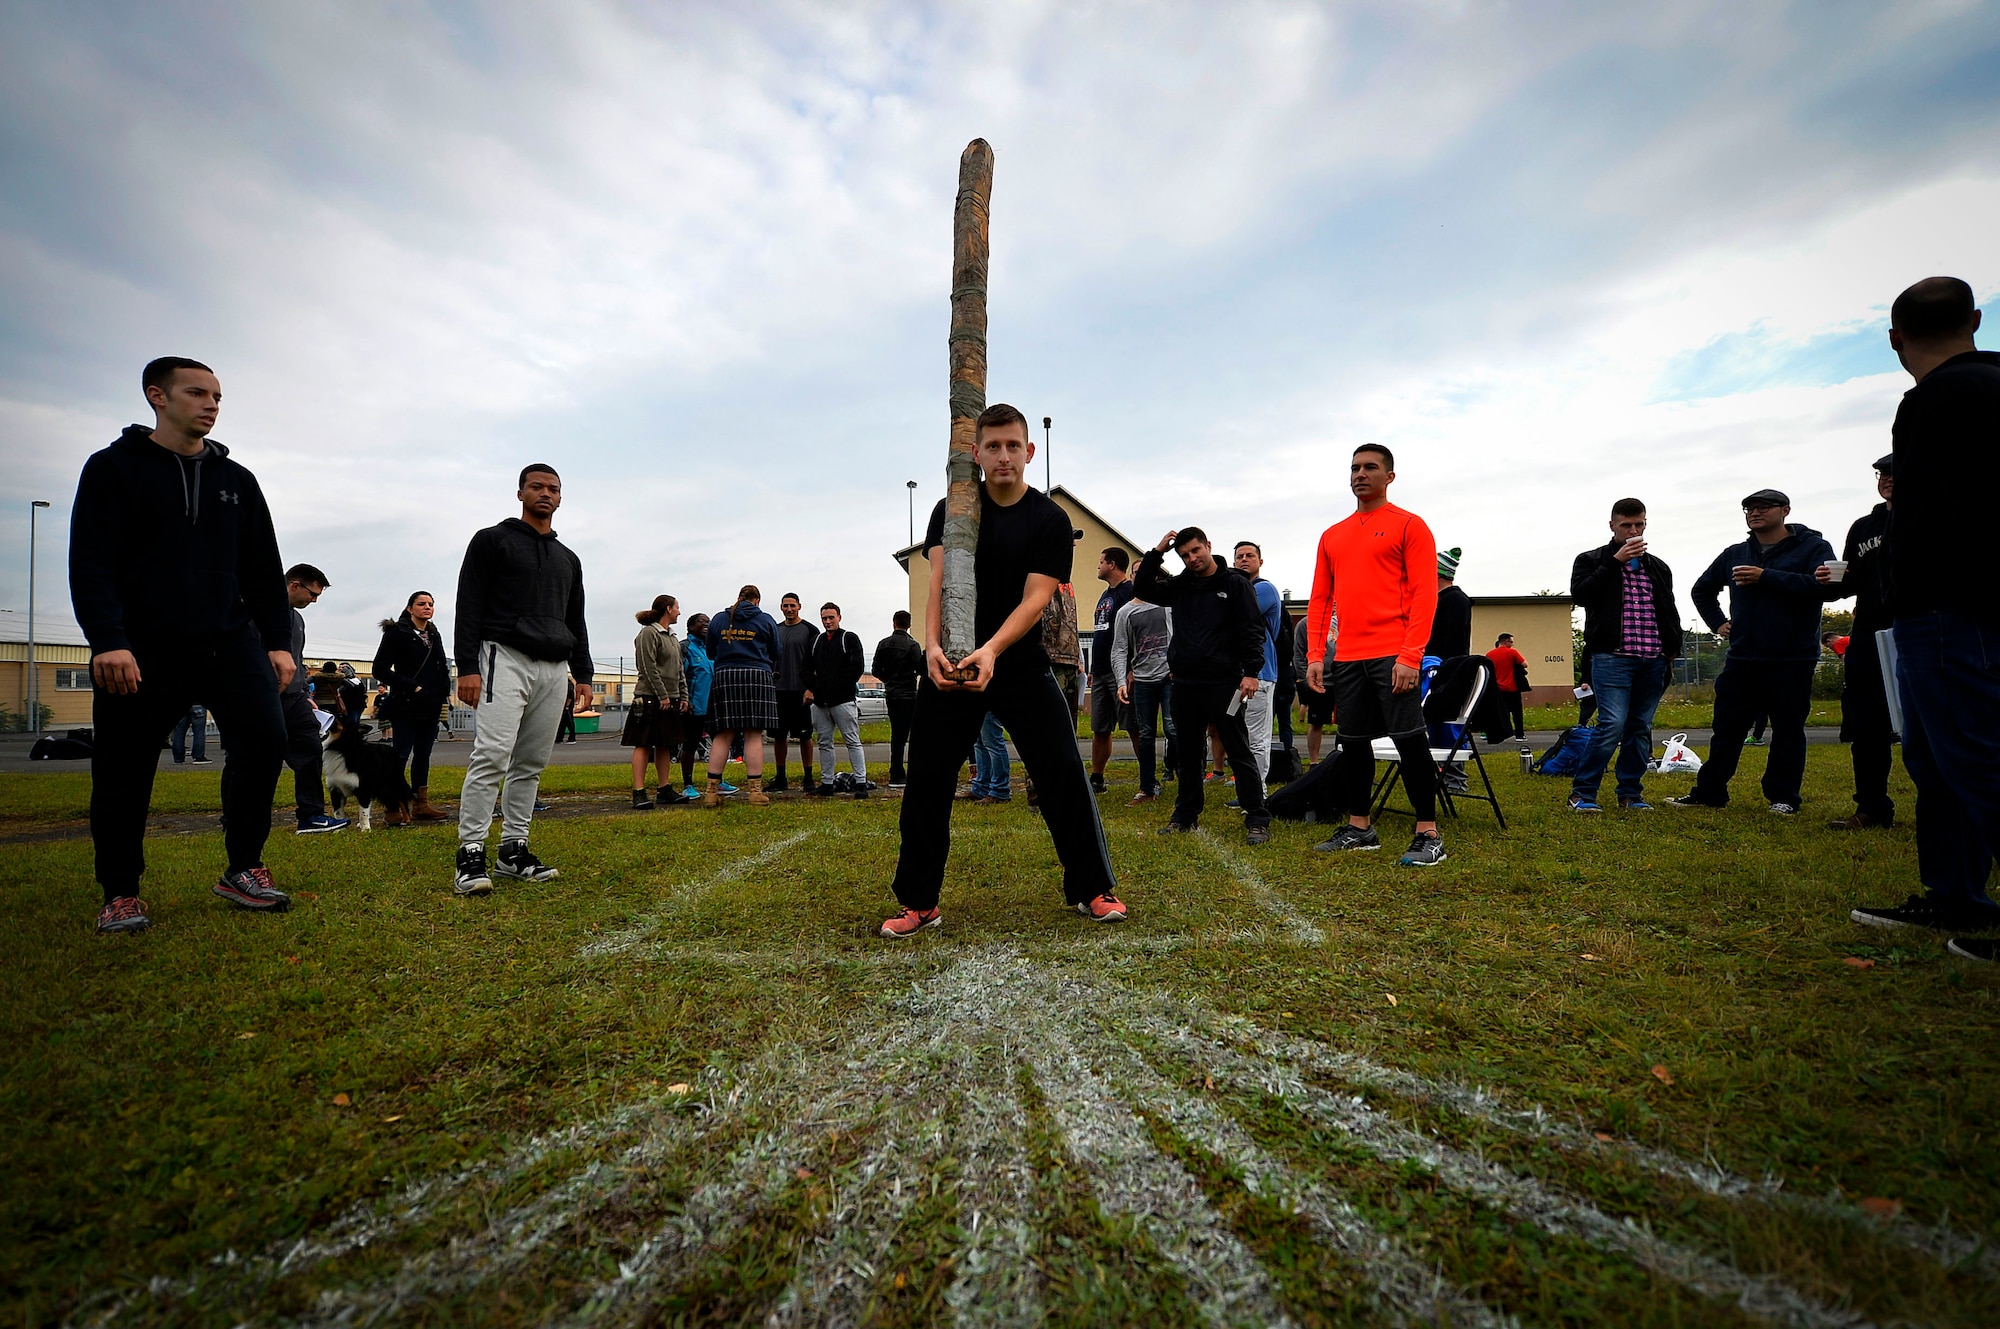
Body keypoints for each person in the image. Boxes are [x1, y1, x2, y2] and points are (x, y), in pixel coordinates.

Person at [72, 356, 295, 933]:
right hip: (142, 649)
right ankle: (120, 891)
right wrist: (108, 641)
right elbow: (91, 562)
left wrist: (277, 642)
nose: (211, 405)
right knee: (123, 768)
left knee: (267, 738)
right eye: (197, 393)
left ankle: (243, 867)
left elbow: (263, 570)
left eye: (217, 397)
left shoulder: (237, 481)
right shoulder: (112, 468)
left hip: (229, 640)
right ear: (157, 396)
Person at [882, 403, 1123, 936]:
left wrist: (992, 650)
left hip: (1017, 663)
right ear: (976, 453)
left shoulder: (1050, 520)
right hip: (953, 665)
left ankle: (1092, 887)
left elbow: (1037, 598)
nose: (1004, 455)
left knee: (1061, 769)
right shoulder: (952, 509)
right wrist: (930, 647)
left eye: (1013, 445)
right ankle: (919, 901)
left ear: (1028, 452)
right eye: (993, 446)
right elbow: (938, 584)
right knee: (927, 779)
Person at [1848, 277, 2000, 955]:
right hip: (1962, 606)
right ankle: (1957, 896)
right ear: (1974, 318)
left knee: (1972, 756)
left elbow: (1930, 520)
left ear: (1894, 338)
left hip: (1947, 607)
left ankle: (1958, 894)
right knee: (1939, 756)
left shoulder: (1932, 401)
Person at [451, 464, 593, 894]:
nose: (545, 494)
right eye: (537, 487)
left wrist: (583, 673)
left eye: (553, 489)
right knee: (492, 754)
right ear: (520, 493)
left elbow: (576, 618)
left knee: (531, 762)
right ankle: (470, 853)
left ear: (561, 497)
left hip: (553, 667)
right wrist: (467, 666)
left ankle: (514, 849)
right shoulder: (492, 540)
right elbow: (468, 603)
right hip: (503, 656)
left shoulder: (568, 558)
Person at [1305, 444, 1447, 866]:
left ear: (1390, 476)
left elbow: (1425, 595)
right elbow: (1320, 598)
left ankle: (1428, 833)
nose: (1360, 474)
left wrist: (1410, 655)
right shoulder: (1332, 534)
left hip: (1393, 654)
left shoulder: (1409, 525)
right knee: (1353, 744)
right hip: (1347, 657)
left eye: (1370, 467)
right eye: (1354, 468)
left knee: (1409, 741)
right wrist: (1316, 653)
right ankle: (1360, 827)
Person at [1670, 489, 1836, 815]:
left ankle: (1783, 797)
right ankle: (1710, 792)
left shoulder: (1814, 548)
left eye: (1763, 507)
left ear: (1785, 510)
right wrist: (1718, 623)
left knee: (1787, 730)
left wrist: (1766, 577)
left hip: (1792, 657)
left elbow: (1827, 590)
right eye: (1749, 508)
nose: (1754, 512)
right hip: (1743, 656)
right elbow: (1701, 589)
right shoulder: (1736, 553)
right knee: (1727, 728)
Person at [1133, 527, 1271, 842]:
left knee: (1238, 750)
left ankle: (1257, 819)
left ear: (1208, 546)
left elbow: (1252, 629)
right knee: (1188, 753)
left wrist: (1251, 672)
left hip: (1225, 682)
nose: (1192, 559)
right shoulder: (1180, 586)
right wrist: (1157, 553)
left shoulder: (1235, 584)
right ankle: (1185, 816)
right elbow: (1141, 588)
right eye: (1184, 555)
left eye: (1196, 551)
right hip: (1184, 683)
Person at [1567, 499, 1682, 813]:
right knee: (1612, 724)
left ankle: (1630, 793)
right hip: (1612, 657)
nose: (1633, 531)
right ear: (1612, 526)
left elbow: (1669, 610)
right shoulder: (1591, 560)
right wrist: (1615, 562)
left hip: (1653, 658)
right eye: (1626, 525)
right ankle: (1583, 793)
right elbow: (1582, 595)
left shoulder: (1657, 567)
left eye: (1639, 525)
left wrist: (1672, 647)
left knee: (1640, 727)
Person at [225, 567, 347, 836]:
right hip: (259, 696)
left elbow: (296, 659)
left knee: (310, 749)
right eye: (312, 594)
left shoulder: (296, 620)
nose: (314, 601)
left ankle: (311, 815)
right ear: (294, 585)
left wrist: (305, 693)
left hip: (295, 699)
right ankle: (234, 815)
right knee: (246, 757)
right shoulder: (253, 612)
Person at [1821, 457, 1897, 831]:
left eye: (1896, 473)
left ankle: (1956, 810)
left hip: (1921, 631)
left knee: (1933, 723)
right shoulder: (1864, 526)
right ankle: (1872, 808)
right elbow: (1848, 584)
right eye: (1882, 474)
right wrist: (1829, 580)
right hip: (1868, 636)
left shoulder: (1940, 516)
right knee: (1867, 726)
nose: (1887, 480)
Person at [372, 590, 452, 824]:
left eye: (430, 604)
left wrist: (443, 691)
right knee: (400, 754)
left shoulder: (434, 633)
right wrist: (411, 686)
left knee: (423, 754)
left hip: (431, 704)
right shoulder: (396, 632)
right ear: (410, 608)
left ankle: (421, 804)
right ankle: (393, 805)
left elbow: (442, 666)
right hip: (406, 703)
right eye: (421, 604)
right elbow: (380, 669)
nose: (427, 608)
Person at [704, 586, 779, 807]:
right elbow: (776, 652)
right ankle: (755, 792)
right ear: (757, 601)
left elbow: (710, 652)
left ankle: (710, 792)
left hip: (725, 675)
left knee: (723, 734)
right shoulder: (765, 619)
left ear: (738, 598)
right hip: (757, 675)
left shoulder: (719, 619)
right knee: (753, 734)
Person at [625, 594, 689, 809]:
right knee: (643, 744)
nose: (679, 612)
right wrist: (662, 695)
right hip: (649, 698)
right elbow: (648, 667)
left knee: (665, 744)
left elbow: (679, 669)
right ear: (668, 609)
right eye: (677, 607)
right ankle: (639, 791)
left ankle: (664, 789)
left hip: (669, 699)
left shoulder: (672, 637)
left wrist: (682, 696)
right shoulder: (648, 633)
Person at [1230, 541, 1285, 785]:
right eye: (1240, 556)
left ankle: (1257, 790)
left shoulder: (1263, 590)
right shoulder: (1236, 588)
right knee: (1235, 731)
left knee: (1256, 735)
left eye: (1250, 555)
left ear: (1260, 562)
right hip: (1234, 674)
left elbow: (1236, 614)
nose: (1244, 559)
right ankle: (1245, 785)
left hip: (1260, 675)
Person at [1111, 592, 1173, 803]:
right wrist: (1121, 681)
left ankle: (1183, 778)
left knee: (1172, 728)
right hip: (1143, 679)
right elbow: (1119, 648)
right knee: (1146, 733)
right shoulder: (1125, 612)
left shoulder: (1168, 604)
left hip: (1169, 677)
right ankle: (1147, 788)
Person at [1087, 547, 1137, 793]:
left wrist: (1130, 668)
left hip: (1121, 672)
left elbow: (1135, 634)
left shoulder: (1129, 593)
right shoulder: (1106, 594)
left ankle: (1147, 777)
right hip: (1101, 671)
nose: (1098, 566)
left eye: (1101, 561)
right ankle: (1097, 778)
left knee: (1133, 725)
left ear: (1113, 564)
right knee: (1100, 727)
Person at [807, 602, 869, 797]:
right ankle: (827, 783)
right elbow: (805, 668)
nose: (827, 622)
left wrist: (836, 687)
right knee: (824, 742)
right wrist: (816, 688)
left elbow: (856, 667)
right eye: (824, 618)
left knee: (852, 740)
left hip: (842, 701)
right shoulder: (816, 641)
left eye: (831, 618)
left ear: (839, 617)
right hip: (819, 702)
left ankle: (861, 783)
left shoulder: (848, 639)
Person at [769, 593, 819, 793]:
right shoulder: (776, 630)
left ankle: (808, 777)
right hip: (779, 691)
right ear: (781, 607)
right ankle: (781, 777)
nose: (789, 609)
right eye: (785, 606)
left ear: (799, 606)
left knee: (805, 736)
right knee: (779, 736)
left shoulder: (810, 630)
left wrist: (811, 688)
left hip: (801, 691)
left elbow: (817, 662)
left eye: (792, 605)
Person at [872, 610, 923, 788]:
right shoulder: (913, 645)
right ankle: (912, 771)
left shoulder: (883, 644)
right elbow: (921, 668)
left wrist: (889, 680)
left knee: (897, 735)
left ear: (894, 622)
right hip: (909, 694)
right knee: (914, 734)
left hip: (892, 694)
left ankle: (896, 773)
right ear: (909, 624)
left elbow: (875, 670)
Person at [678, 613, 715, 802]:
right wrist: (686, 699)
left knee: (718, 745)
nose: (706, 624)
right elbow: (680, 675)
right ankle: (688, 785)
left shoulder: (712, 648)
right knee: (690, 745)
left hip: (714, 707)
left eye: (708, 621)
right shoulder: (685, 647)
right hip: (694, 707)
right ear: (691, 627)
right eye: (702, 621)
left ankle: (717, 781)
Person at [1294, 609, 1336, 764]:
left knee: (1348, 724)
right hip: (1318, 682)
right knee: (1316, 723)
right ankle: (1314, 762)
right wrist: (1305, 681)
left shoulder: (1342, 622)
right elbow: (1298, 654)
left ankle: (1346, 761)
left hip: (1343, 680)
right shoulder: (1305, 624)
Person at [1484, 634, 1528, 743]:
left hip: (1497, 689)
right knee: (1517, 713)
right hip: (1512, 688)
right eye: (1511, 642)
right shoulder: (1512, 653)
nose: (1512, 645)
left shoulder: (1489, 654)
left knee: (1500, 712)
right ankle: (1519, 735)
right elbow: (1525, 664)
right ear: (1506, 641)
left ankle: (1502, 733)